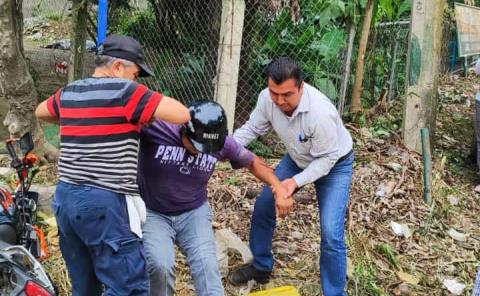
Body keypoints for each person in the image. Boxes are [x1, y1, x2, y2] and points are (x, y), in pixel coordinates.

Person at [35, 35, 191, 296]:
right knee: (128, 288)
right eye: (136, 73)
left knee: (84, 286)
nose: (136, 79)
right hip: (104, 202)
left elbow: (41, 111)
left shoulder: (71, 90)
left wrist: (77, 119)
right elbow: (181, 114)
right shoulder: (126, 92)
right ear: (118, 66)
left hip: (65, 199)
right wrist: (140, 107)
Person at [137, 100, 291, 296]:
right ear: (184, 130)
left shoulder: (221, 142)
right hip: (153, 211)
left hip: (193, 212)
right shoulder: (157, 128)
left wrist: (277, 187)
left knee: (207, 266)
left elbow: (253, 162)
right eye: (196, 145)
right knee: (160, 265)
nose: (201, 151)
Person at [229, 57, 354, 296]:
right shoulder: (267, 99)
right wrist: (226, 146)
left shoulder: (319, 112)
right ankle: (261, 266)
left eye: (286, 94)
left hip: (334, 164)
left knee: (330, 232)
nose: (279, 100)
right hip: (298, 159)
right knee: (265, 204)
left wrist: (294, 182)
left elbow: (327, 159)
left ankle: (335, 293)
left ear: (301, 87)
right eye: (274, 93)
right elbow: (253, 128)